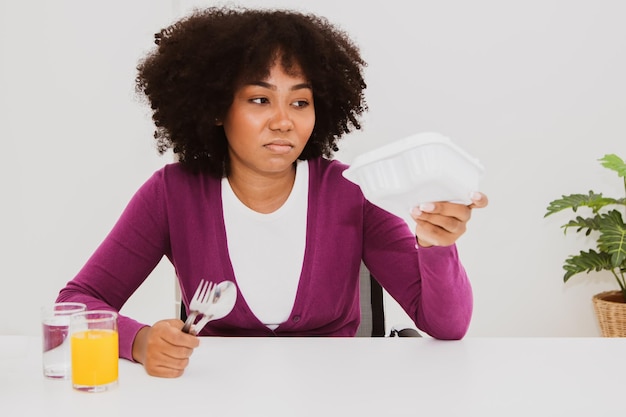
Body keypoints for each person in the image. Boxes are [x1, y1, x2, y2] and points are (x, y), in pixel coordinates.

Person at [56, 6, 489, 378]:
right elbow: (75, 303)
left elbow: (446, 326)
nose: (284, 121)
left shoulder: (350, 192)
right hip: (213, 398)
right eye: (260, 100)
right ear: (215, 108)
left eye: (300, 102)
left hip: (339, 397)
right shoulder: (173, 194)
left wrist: (435, 243)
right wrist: (141, 341)